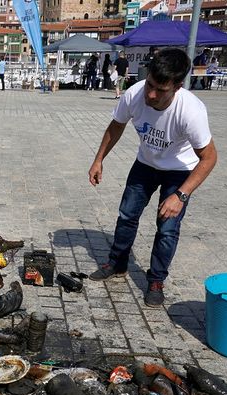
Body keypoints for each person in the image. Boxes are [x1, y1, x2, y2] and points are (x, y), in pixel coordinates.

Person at [87, 49, 218, 307]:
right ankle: (117, 263)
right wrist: (98, 159)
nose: (151, 94)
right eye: (149, 85)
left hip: (180, 170)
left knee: (167, 228)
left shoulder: (191, 112)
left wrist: (181, 195)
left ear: (177, 86)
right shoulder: (134, 94)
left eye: (160, 89)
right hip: (146, 163)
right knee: (127, 215)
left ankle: (156, 280)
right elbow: (116, 126)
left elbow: (209, 158)